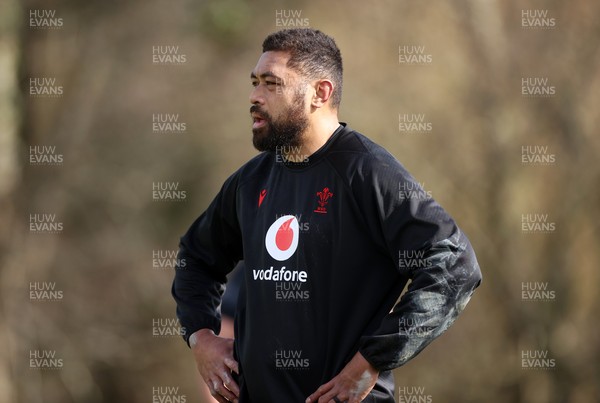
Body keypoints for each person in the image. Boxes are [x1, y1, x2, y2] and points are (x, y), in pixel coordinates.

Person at [172, 28, 482, 403]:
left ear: (321, 92)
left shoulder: (369, 174)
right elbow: (195, 258)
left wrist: (371, 360)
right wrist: (201, 337)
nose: (255, 96)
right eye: (255, 82)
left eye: (272, 84)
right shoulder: (251, 181)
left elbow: (455, 265)